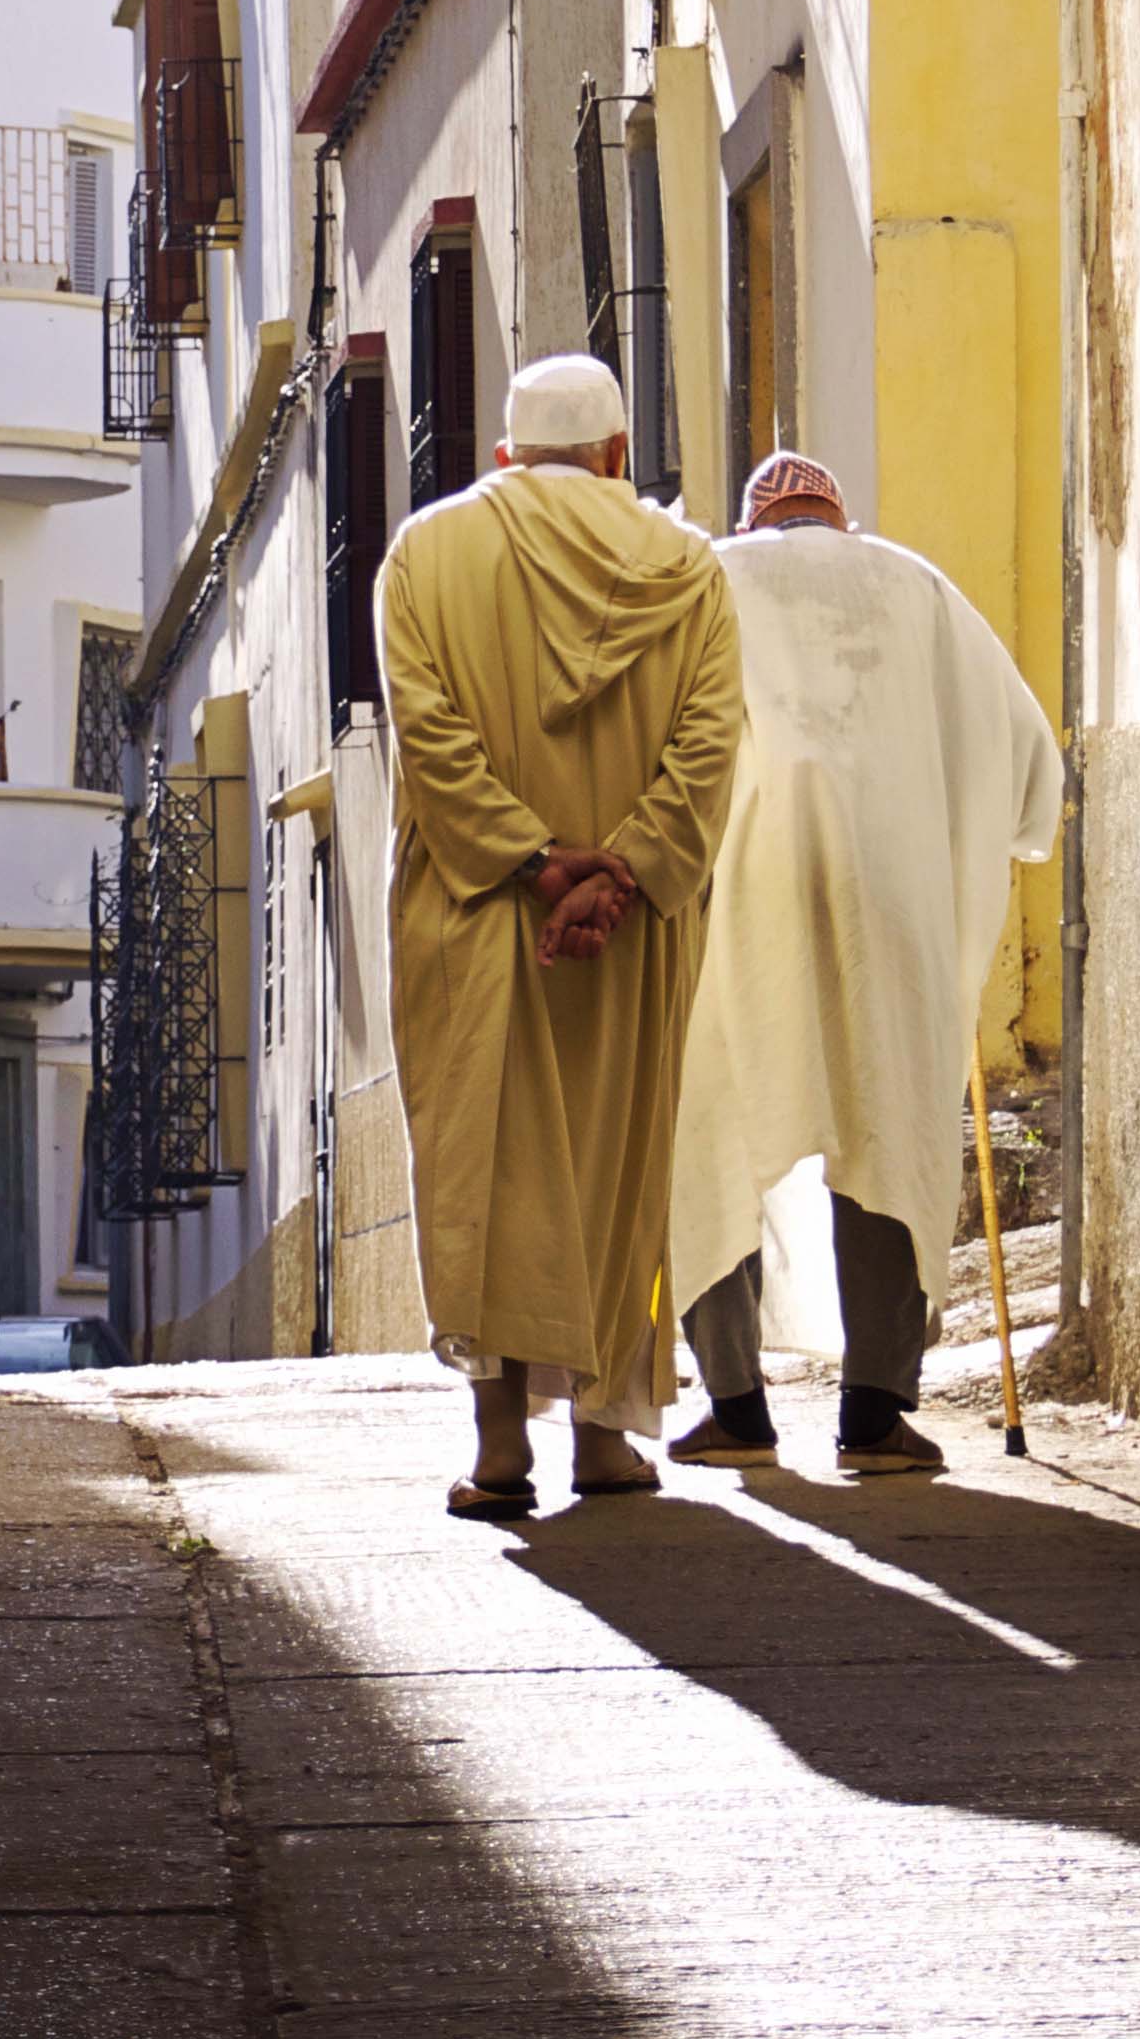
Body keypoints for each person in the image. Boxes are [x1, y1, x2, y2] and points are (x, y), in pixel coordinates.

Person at [375, 354, 747, 1520]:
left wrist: (536, 865)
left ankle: (497, 1448)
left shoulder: (423, 556)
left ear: (505, 456)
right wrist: (620, 870)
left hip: (479, 915)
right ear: (617, 456)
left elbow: (431, 743)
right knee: (613, 1159)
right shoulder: (687, 570)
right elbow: (706, 743)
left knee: (488, 1168)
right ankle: (601, 1435)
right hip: (627, 938)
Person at [663, 450, 1063, 1476]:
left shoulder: (706, 575)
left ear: (757, 521)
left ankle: (736, 1404)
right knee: (887, 1118)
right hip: (887, 895)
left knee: (711, 1121)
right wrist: (992, 833)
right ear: (837, 520)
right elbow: (1029, 763)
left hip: (739, 888)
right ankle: (875, 1411)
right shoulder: (916, 583)